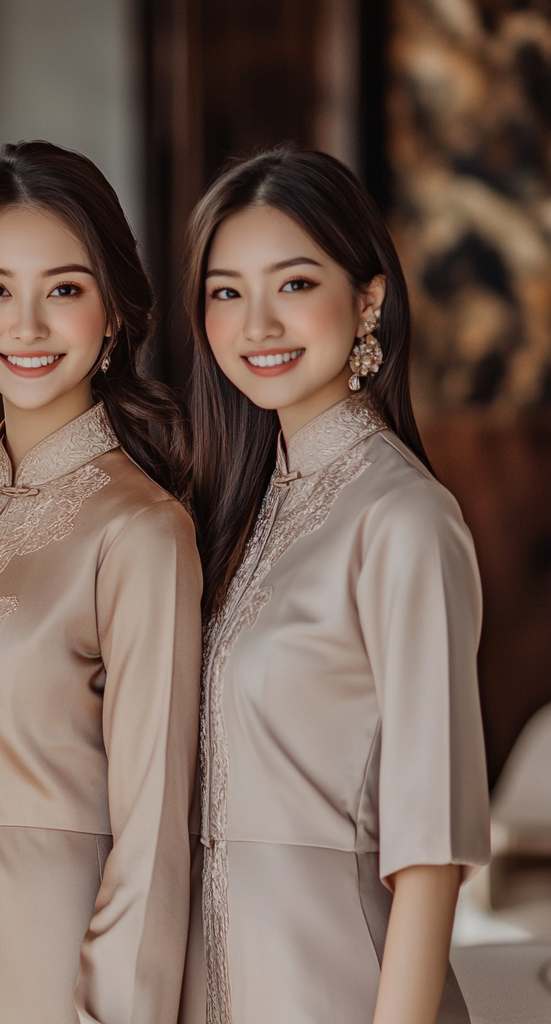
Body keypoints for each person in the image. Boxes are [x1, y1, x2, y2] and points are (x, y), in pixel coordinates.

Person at [0, 141, 202, 1024]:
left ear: (112, 314)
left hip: (49, 975)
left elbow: (155, 839)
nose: (26, 326)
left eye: (63, 289)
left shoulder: (143, 532)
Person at [181, 146, 491, 1024]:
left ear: (369, 298)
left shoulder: (406, 521)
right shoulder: (231, 517)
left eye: (294, 283)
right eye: (226, 292)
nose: (257, 325)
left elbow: (431, 851)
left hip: (342, 993)